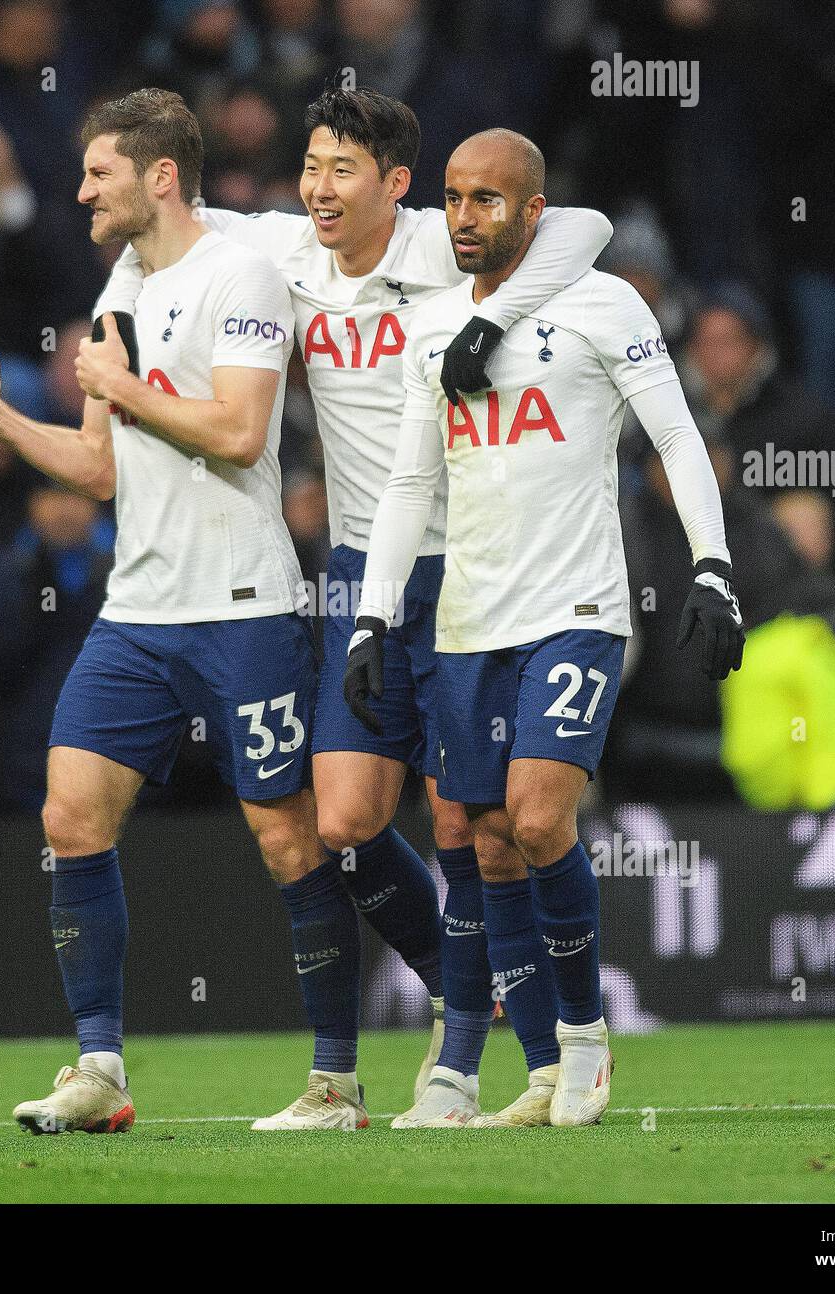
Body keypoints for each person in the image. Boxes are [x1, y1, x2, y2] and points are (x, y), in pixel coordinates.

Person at [98, 85, 612, 1120]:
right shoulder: (284, 254)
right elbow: (163, 222)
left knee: (474, 820)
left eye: (343, 171)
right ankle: (451, 990)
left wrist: (493, 321)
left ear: (396, 184)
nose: (320, 188)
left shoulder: (436, 243)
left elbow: (585, 227)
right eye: (311, 166)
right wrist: (116, 291)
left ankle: (479, 1052)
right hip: (358, 575)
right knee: (342, 816)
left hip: (470, 563)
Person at [0, 88, 365, 1134]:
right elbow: (96, 467)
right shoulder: (122, 280)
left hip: (241, 603)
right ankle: (98, 1070)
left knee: (286, 836)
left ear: (161, 175)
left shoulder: (242, 273)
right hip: (137, 607)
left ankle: (336, 1083)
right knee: (68, 816)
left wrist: (122, 389)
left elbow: (235, 431)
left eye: (99, 172)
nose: (83, 189)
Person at [348, 129, 743, 1127]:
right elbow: (408, 481)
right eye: (451, 198)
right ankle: (532, 1072)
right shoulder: (433, 326)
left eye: (487, 199)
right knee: (482, 842)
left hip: (576, 611)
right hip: (468, 619)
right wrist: (369, 617)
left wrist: (713, 567)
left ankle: (584, 1042)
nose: (464, 217)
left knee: (534, 817)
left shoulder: (605, 303)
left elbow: (675, 435)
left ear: (534, 212)